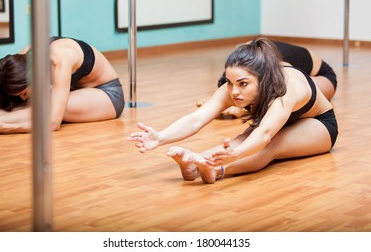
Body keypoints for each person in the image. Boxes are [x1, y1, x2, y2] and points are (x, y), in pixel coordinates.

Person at [127, 37, 338, 184]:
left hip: (317, 124)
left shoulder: (286, 88)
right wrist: (160, 137)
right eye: (229, 82)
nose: (234, 91)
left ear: (263, 79)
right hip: (275, 122)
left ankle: (215, 169)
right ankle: (196, 163)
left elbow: (265, 133)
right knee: (243, 138)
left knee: (269, 144)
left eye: (243, 84)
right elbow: (197, 119)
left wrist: (236, 154)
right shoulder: (234, 86)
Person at [0, 36, 125, 134]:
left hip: (107, 94)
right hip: (76, 92)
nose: (24, 97)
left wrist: (5, 127)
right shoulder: (23, 59)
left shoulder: (59, 57)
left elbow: (53, 123)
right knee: (11, 107)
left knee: (45, 107)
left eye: (24, 92)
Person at [197, 40, 337, 118]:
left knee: (290, 93)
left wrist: (246, 109)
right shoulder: (238, 66)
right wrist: (217, 100)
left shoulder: (278, 66)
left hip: (322, 76)